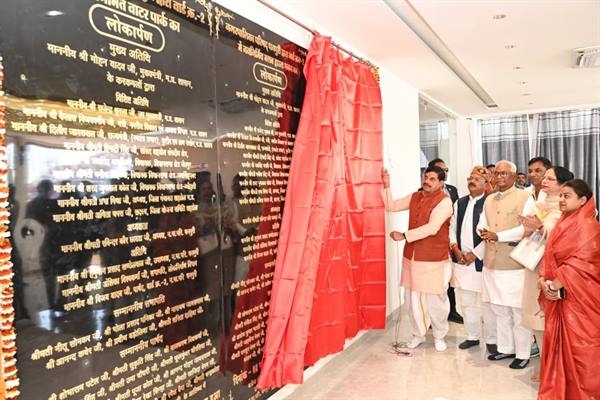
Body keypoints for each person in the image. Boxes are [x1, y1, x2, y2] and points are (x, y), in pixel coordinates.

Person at [538, 179, 600, 400]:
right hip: (560, 294)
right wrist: (544, 281)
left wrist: (554, 285)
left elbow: (581, 263)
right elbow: (549, 256)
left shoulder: (589, 227)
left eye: (567, 196)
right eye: (561, 195)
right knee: (560, 345)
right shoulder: (563, 223)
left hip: (582, 298)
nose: (562, 200)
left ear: (583, 200)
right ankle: (562, 388)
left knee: (583, 348)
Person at [382, 166, 453, 351]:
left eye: (432, 179)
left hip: (433, 259)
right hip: (412, 257)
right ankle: (418, 334)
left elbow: (432, 228)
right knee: (412, 299)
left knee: (435, 300)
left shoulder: (444, 202)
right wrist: (387, 186)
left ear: (441, 182)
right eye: (426, 177)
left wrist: (404, 235)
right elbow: (391, 206)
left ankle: (439, 335)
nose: (427, 181)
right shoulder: (415, 196)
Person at [478, 160, 536, 369]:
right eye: (497, 173)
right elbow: (482, 223)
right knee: (499, 309)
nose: (500, 177)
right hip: (491, 262)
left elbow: (526, 229)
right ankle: (506, 348)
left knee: (517, 311)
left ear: (513, 176)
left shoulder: (525, 197)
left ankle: (523, 353)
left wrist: (498, 236)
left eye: (505, 173)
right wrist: (482, 231)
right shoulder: (489, 199)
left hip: (513, 263)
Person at [518, 166, 573, 381]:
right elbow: (528, 234)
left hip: (551, 271)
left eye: (550, 179)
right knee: (535, 320)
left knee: (550, 321)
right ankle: (545, 364)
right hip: (533, 266)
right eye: (545, 178)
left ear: (563, 184)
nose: (545, 181)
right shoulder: (540, 205)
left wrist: (541, 227)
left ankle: (555, 368)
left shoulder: (566, 208)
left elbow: (562, 239)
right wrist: (528, 227)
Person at [449, 166, 497, 352]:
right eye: (470, 178)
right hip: (462, 260)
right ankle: (472, 336)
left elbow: (492, 232)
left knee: (487, 304)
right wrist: (455, 249)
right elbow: (452, 228)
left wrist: (474, 254)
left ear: (486, 183)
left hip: (482, 261)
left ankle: (492, 340)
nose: (472, 181)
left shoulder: (490, 203)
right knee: (467, 302)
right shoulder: (460, 202)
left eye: (477, 179)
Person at [428, 158, 462, 324]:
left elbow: (457, 214)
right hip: (433, 242)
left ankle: (452, 311)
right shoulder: (423, 192)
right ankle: (432, 318)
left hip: (451, 239)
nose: (445, 173)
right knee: (433, 282)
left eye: (446, 170)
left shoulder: (452, 190)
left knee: (449, 279)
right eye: (441, 170)